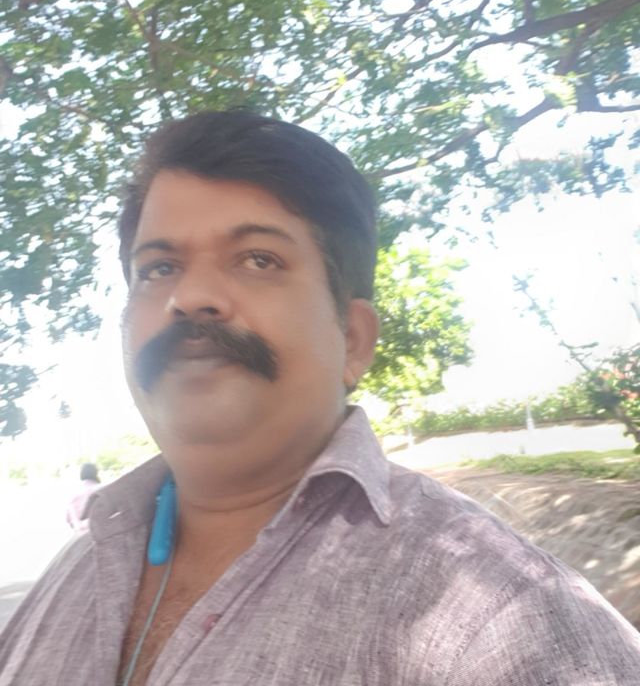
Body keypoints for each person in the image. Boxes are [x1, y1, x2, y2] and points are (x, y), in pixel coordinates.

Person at [1, 109, 638, 686]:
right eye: (159, 268)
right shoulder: (74, 569)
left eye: (258, 259)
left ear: (353, 340)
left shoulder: (504, 623)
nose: (189, 297)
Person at [65, 462, 101, 532]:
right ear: (96, 474)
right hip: (108, 531)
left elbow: (68, 520)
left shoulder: (72, 493)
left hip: (83, 535)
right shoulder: (102, 488)